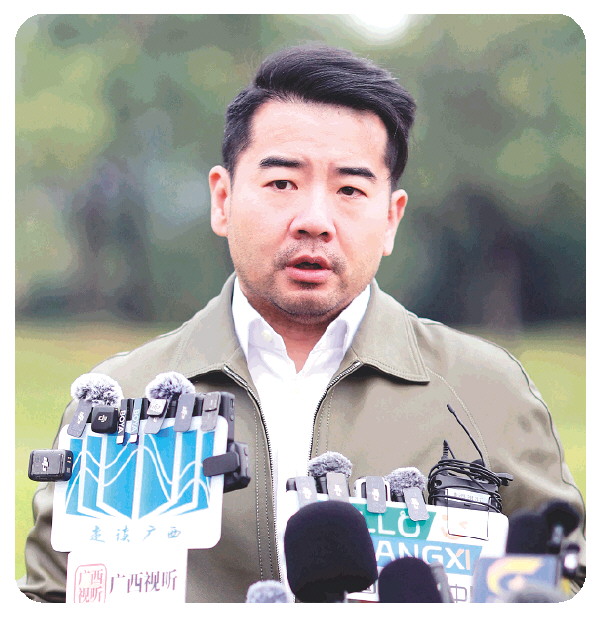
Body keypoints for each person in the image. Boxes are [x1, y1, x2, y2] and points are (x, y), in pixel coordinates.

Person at [19, 44, 585, 603]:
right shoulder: (119, 398)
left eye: (350, 190)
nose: (314, 220)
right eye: (282, 183)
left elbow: (567, 585)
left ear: (391, 217)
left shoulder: (485, 391)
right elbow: (50, 595)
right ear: (223, 199)